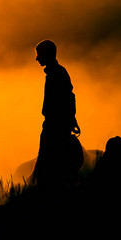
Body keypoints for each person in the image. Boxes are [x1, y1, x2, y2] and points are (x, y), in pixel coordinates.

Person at [32, 40, 83, 187]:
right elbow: (70, 97)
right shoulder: (59, 73)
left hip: (54, 127)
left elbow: (66, 99)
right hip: (58, 125)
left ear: (47, 55)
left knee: (48, 164)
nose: (37, 58)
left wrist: (68, 119)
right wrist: (72, 119)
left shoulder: (56, 75)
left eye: (39, 55)